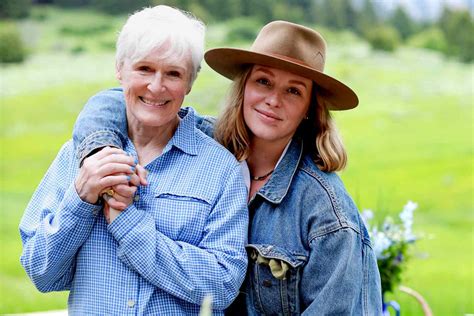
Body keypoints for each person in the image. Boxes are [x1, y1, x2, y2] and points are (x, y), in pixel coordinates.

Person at [71, 21, 382, 314]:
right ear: (243, 87)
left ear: (308, 110)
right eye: (263, 81)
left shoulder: (327, 215)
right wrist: (101, 153)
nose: (273, 99)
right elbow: (114, 101)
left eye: (293, 90)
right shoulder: (206, 143)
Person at [19, 6, 249, 315]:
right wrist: (82, 198)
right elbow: (42, 274)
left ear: (190, 83)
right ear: (120, 69)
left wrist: (128, 224)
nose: (156, 86)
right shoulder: (78, 158)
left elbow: (222, 286)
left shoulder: (222, 170)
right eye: (144, 69)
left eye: (173, 73)